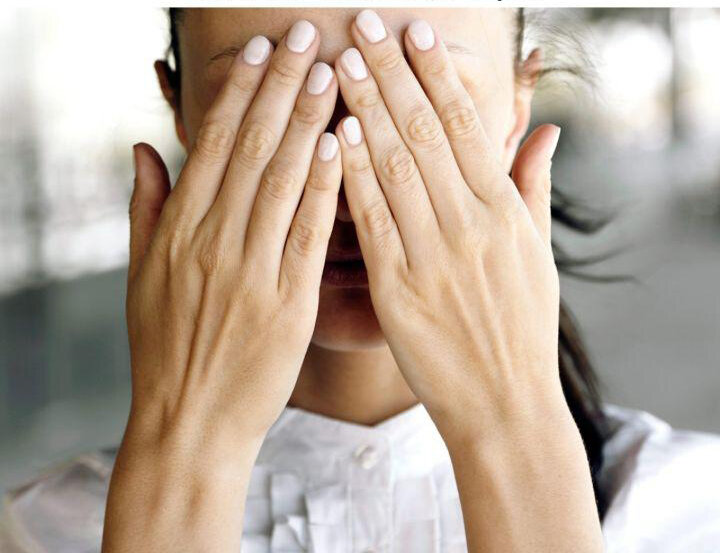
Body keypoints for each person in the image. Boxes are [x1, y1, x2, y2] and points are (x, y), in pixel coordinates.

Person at [2, 8, 719, 553]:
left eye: (417, 100)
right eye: (275, 100)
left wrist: (514, 427)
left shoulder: (696, 513)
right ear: (182, 113)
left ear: (517, 109)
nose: (347, 180)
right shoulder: (40, 532)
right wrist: (185, 450)